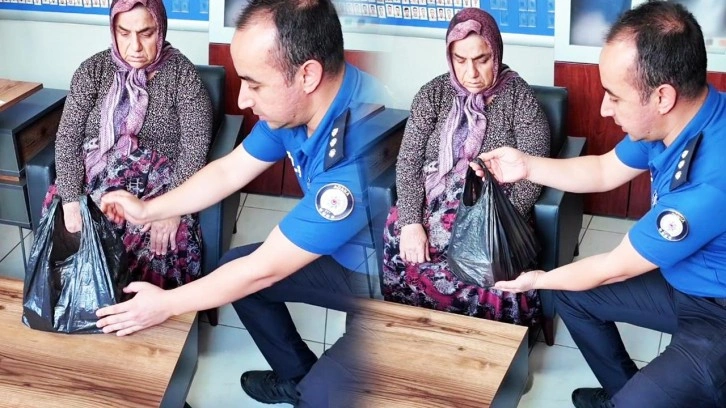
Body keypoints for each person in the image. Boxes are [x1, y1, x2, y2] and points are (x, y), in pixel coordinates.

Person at [95, 0, 390, 406]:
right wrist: (150, 209)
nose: (244, 100)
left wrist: (164, 305)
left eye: (254, 84)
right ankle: (297, 377)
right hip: (343, 252)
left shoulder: (362, 145)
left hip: (385, 284)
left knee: (322, 398)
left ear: (307, 75)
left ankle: (312, 391)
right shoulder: (297, 107)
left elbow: (262, 270)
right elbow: (228, 172)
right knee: (232, 268)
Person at [475, 2, 726, 407]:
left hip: (718, 315)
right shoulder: (682, 120)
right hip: (684, 278)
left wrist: (535, 279)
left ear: (662, 96)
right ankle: (621, 390)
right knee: (573, 296)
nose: (604, 109)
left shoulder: (711, 180)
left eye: (614, 96)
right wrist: (526, 166)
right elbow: (604, 169)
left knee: (571, 284)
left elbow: (612, 267)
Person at [381, 8, 549, 326]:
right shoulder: (433, 94)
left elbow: (533, 170)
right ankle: (414, 327)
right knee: (397, 230)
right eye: (460, 60)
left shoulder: (519, 98)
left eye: (481, 59)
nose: (470, 72)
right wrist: (411, 222)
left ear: (496, 53)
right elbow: (409, 160)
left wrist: (491, 226)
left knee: (482, 255)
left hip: (494, 205)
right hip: (435, 192)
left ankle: (487, 339)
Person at [47, 0, 212, 288]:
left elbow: (195, 144)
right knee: (70, 222)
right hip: (95, 172)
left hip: (161, 183)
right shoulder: (93, 70)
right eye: (124, 33)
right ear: (113, 31)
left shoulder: (182, 75)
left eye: (146, 33)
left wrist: (172, 207)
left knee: (165, 240)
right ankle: (85, 304)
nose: (134, 46)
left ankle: (152, 310)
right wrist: (72, 200)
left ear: (160, 30)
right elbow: (68, 137)